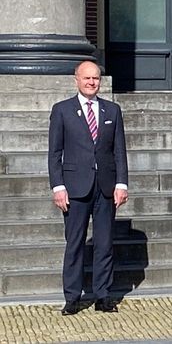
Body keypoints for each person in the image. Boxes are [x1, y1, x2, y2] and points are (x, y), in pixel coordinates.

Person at [48, 61, 129, 316]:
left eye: (95, 78)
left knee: (104, 243)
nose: (92, 82)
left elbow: (119, 150)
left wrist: (122, 183)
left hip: (105, 187)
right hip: (75, 188)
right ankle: (72, 297)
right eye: (87, 78)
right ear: (77, 80)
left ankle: (103, 295)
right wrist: (58, 187)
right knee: (75, 243)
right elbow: (54, 153)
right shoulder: (62, 110)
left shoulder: (112, 110)